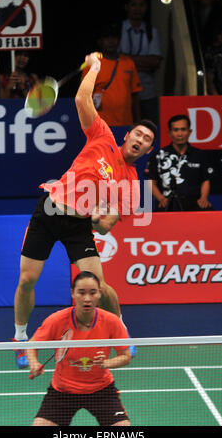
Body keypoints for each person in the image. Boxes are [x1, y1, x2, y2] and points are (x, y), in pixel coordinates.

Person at [13, 52, 157, 368]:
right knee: (27, 279)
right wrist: (94, 68)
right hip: (50, 211)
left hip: (79, 226)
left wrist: (97, 217)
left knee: (101, 287)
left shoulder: (131, 184)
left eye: (147, 140)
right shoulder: (102, 134)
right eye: (138, 133)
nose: (141, 140)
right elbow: (82, 97)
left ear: (147, 150)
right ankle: (21, 339)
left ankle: (122, 337)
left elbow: (105, 227)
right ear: (128, 134)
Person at [27, 270, 131, 426]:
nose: (87, 298)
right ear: (73, 293)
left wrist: (107, 363)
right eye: (81, 293)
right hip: (63, 391)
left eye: (92, 292)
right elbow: (32, 345)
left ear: (100, 294)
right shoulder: (57, 320)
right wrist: (34, 362)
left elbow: (126, 356)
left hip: (101, 390)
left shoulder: (111, 321)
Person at [144, 114, 213, 211]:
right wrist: (161, 198)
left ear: (189, 132)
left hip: (194, 203)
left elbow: (205, 180)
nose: (180, 134)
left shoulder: (200, 154)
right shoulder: (158, 155)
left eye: (183, 129)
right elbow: (150, 182)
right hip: (168, 203)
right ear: (169, 133)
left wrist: (203, 198)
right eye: (176, 130)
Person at [82, 22, 142, 126]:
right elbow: (85, 97)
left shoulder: (128, 63)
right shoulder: (91, 64)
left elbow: (135, 95)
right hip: (100, 124)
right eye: (106, 38)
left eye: (114, 37)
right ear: (100, 41)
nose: (111, 41)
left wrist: (138, 121)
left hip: (126, 123)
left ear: (119, 40)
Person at [119, 0, 163, 126]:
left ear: (146, 7)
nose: (137, 9)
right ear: (127, 7)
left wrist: (127, 60)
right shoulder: (119, 29)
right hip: (123, 93)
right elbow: (116, 61)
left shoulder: (151, 31)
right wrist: (144, 62)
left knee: (150, 129)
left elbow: (155, 62)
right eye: (134, 5)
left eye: (141, 5)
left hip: (147, 92)